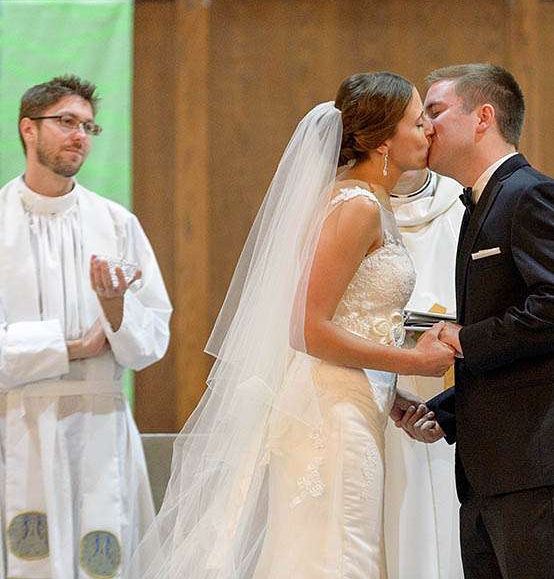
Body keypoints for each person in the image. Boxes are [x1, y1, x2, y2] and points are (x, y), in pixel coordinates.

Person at [130, 71, 456, 578]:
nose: (429, 132)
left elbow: (354, 320)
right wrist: (412, 360)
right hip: (330, 415)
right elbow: (307, 328)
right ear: (382, 140)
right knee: (340, 557)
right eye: (419, 123)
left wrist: (392, 398)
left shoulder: (369, 203)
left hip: (351, 401)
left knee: (337, 551)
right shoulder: (357, 208)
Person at [400, 63, 554, 579]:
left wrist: (461, 339)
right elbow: (519, 349)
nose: (426, 127)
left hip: (543, 463)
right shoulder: (481, 204)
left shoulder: (531, 194)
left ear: (484, 117)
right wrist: (448, 411)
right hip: (498, 469)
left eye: (435, 111)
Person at [0, 75, 172, 578]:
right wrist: (74, 346)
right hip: (19, 426)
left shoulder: (117, 224)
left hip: (100, 426)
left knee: (103, 554)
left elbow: (152, 337)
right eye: (67, 123)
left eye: (88, 126)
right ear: (28, 130)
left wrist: (116, 310)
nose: (81, 136)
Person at [385, 168, 465, 578]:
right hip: (373, 391)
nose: (425, 133)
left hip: (447, 390)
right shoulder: (352, 204)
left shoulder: (459, 203)